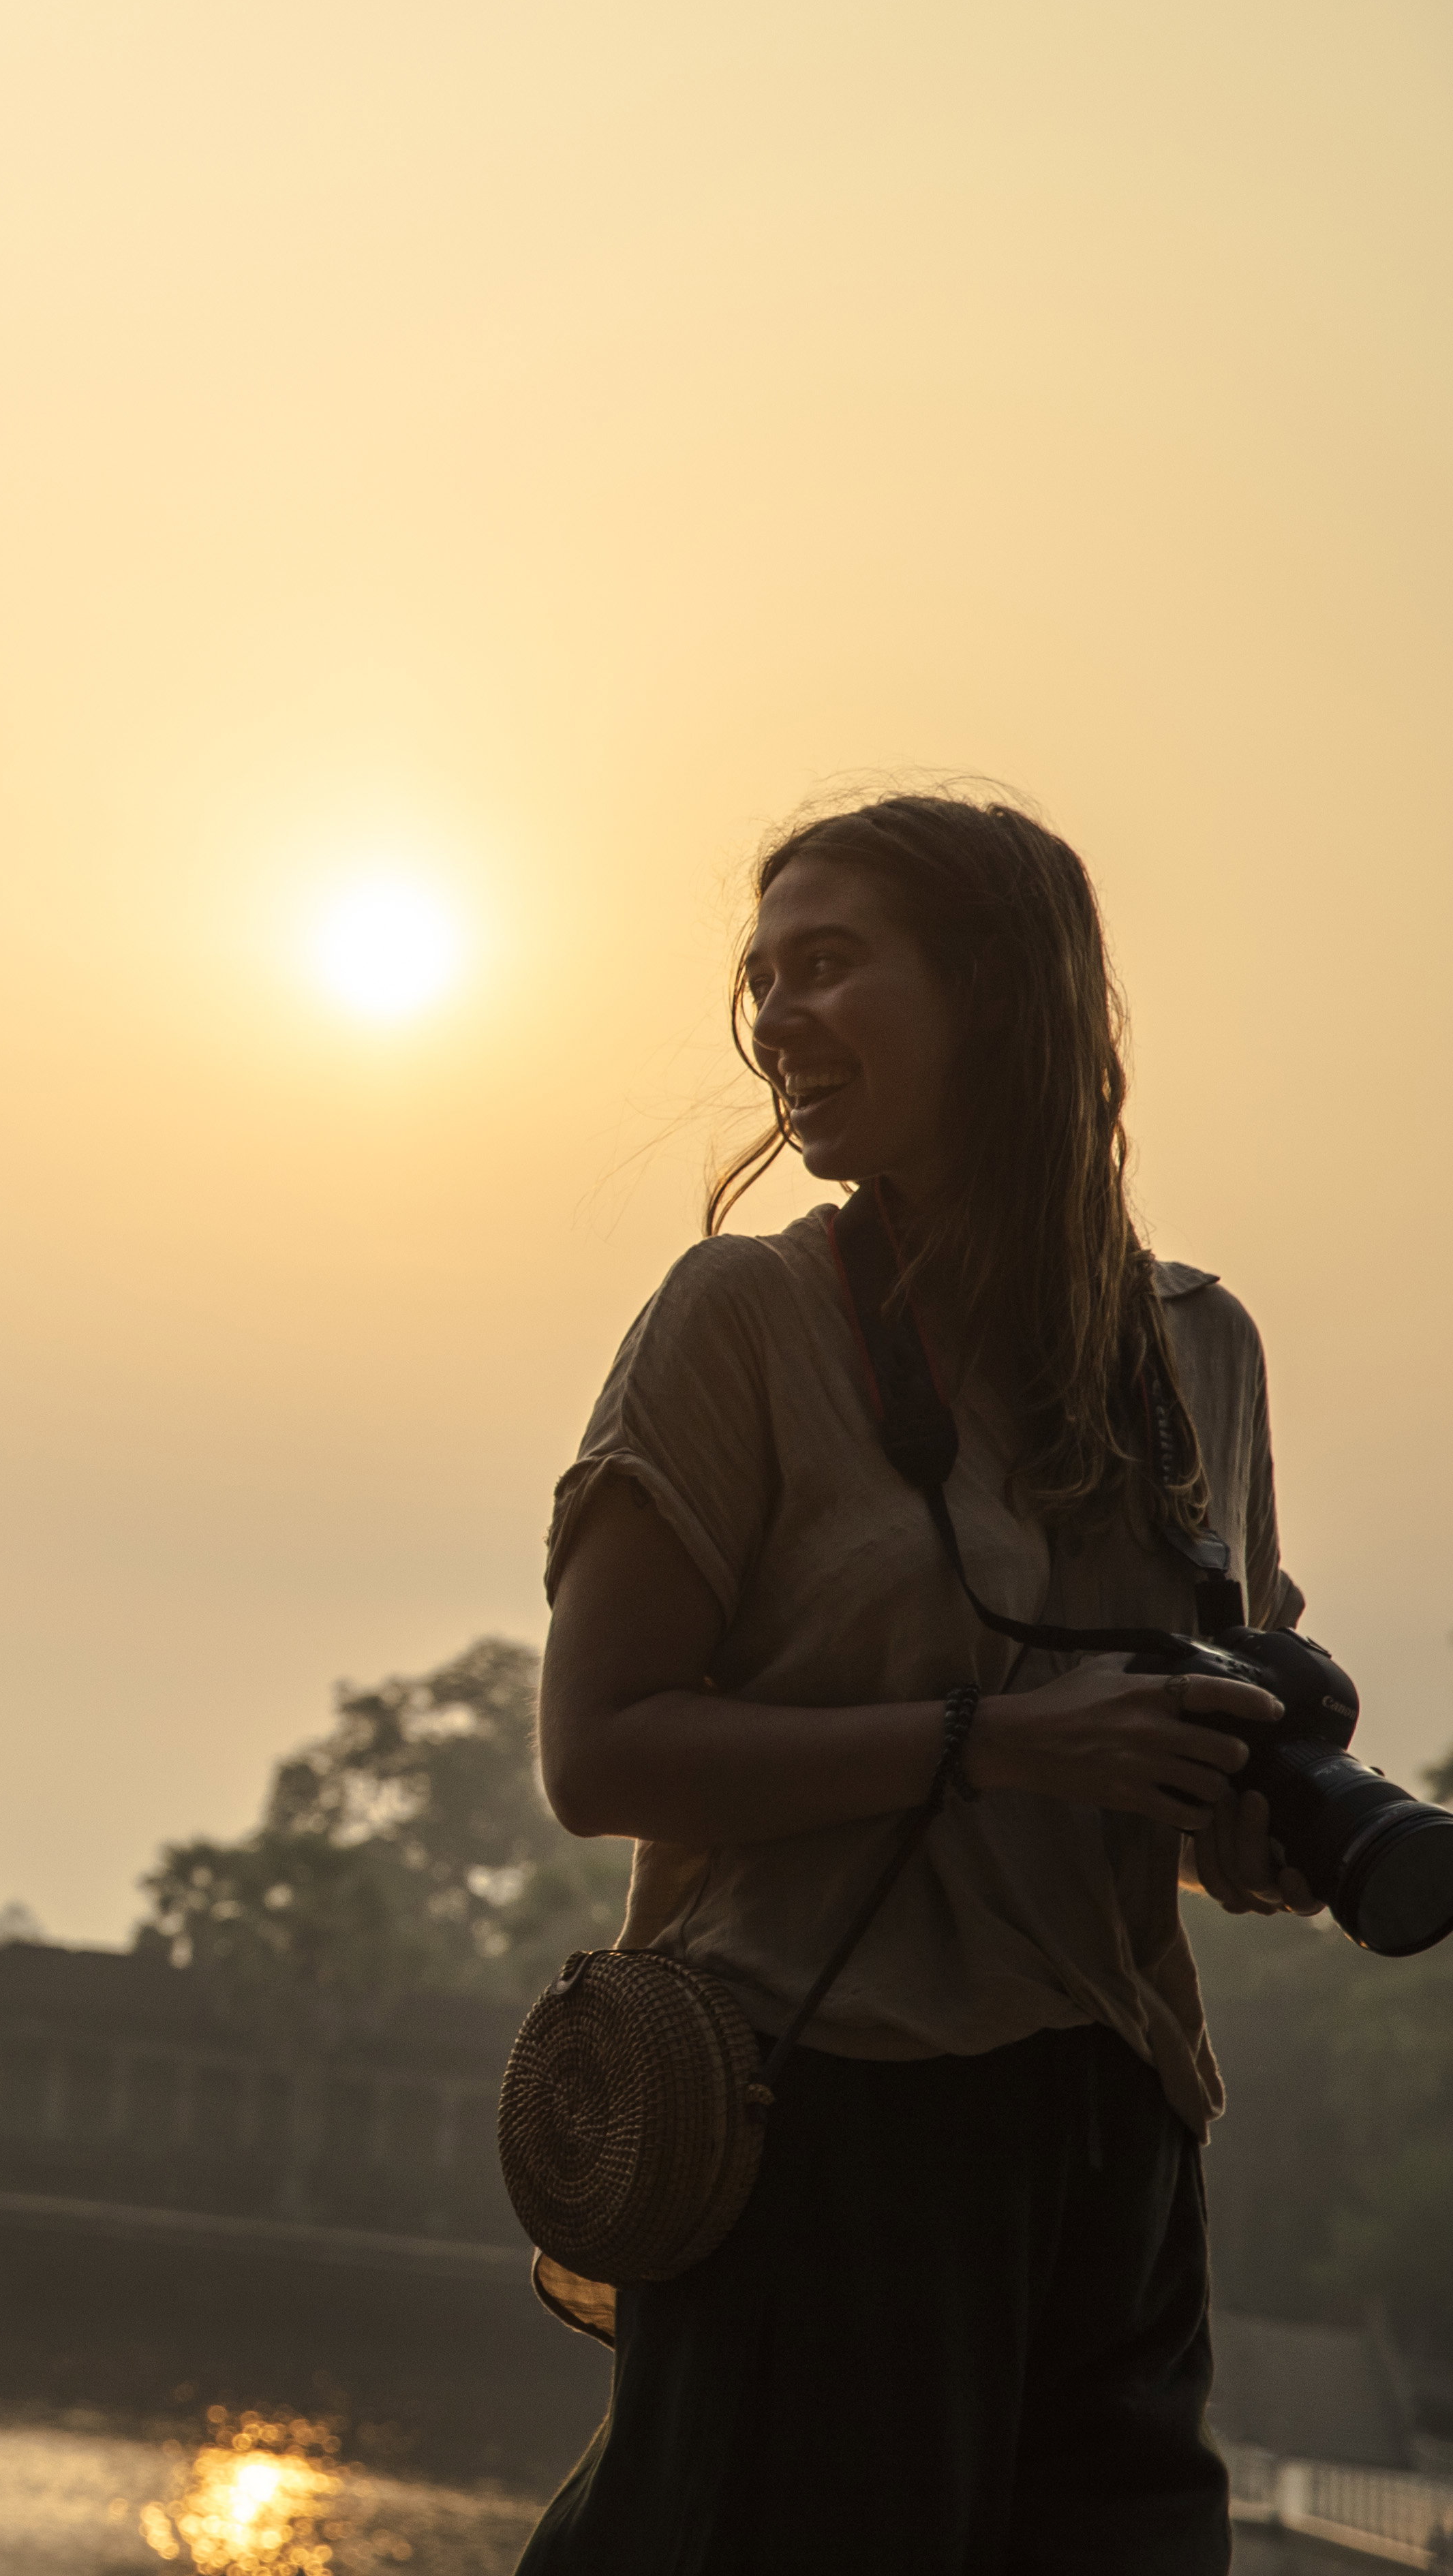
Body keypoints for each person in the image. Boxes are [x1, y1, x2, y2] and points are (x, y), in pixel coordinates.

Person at [521, 792, 1321, 2573]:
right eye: (764, 978)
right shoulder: (745, 1320)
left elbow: (1159, 1779)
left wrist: (1255, 1828)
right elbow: (603, 1754)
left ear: (997, 995)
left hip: (1121, 2153)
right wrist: (1005, 1744)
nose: (777, 1021)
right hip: (833, 2130)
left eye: (829, 967)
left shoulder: (1197, 1347)